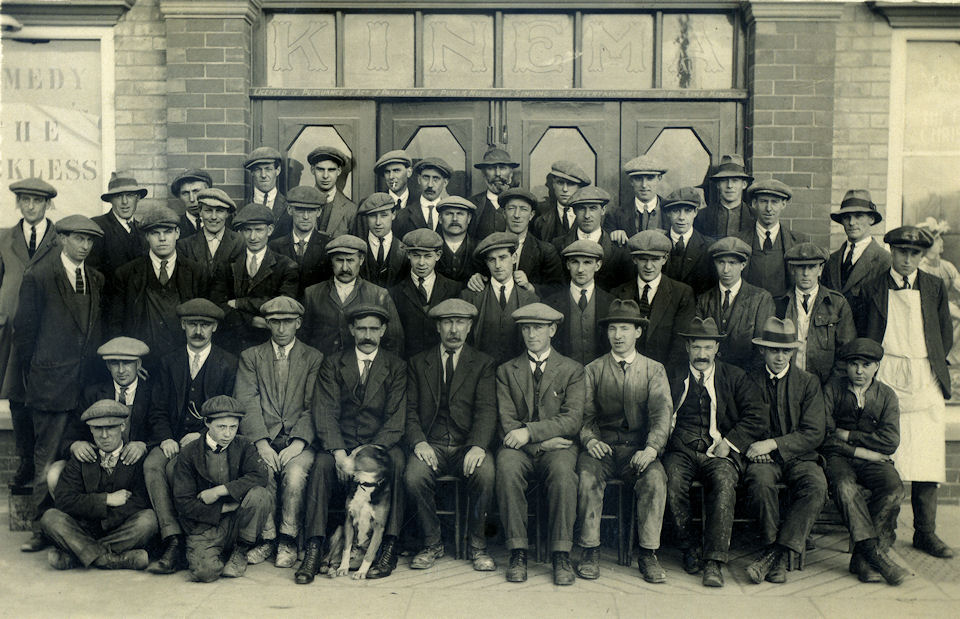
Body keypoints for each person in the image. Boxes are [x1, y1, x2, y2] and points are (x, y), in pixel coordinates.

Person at [296, 305, 407, 584]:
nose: (367, 335)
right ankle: (314, 545)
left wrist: (365, 454)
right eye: (361, 328)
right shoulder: (333, 363)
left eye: (373, 329)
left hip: (378, 446)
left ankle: (389, 546)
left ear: (383, 331)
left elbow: (396, 419)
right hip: (341, 444)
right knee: (320, 465)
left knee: (398, 462)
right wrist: (339, 452)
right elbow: (324, 411)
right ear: (351, 330)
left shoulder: (396, 366)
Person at [861, 226, 954, 559]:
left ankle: (925, 532)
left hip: (925, 375)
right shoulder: (873, 287)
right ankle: (883, 531)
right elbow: (865, 333)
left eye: (914, 253)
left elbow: (944, 333)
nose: (907, 259)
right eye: (901, 252)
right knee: (888, 457)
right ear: (892, 252)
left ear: (922, 255)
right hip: (887, 375)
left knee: (927, 459)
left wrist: (926, 363)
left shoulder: (934, 286)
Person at [15, 214, 105, 553]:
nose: (84, 246)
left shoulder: (96, 278)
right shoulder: (38, 277)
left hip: (86, 387)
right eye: (78, 238)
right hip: (50, 386)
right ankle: (42, 528)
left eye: (90, 240)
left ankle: (78, 526)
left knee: (83, 457)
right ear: (61, 238)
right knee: (47, 458)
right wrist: (40, 374)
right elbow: (24, 337)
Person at [663, 317, 768, 588]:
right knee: (671, 481)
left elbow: (757, 416)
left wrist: (730, 442)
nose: (701, 354)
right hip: (681, 449)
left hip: (718, 450)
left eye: (708, 348)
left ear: (717, 349)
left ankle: (714, 561)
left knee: (724, 483)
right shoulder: (671, 374)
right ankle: (690, 549)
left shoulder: (734, 377)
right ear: (687, 347)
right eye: (696, 347)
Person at [573, 299, 672, 583]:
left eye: (625, 329)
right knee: (587, 477)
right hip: (602, 448)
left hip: (639, 450)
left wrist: (652, 448)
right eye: (613, 329)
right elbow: (585, 414)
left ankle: (648, 553)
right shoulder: (593, 369)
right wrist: (590, 440)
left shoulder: (654, 370)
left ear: (638, 332)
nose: (618, 335)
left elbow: (661, 414)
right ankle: (590, 550)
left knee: (655, 480)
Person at [144, 298, 239, 574]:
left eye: (205, 325)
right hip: (171, 438)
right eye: (193, 324)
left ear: (215, 329)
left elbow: (228, 412)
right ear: (183, 325)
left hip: (208, 440)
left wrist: (200, 434)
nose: (199, 331)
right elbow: (158, 408)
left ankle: (187, 542)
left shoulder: (228, 363)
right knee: (152, 464)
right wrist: (165, 437)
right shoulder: (168, 361)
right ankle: (172, 537)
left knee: (176, 468)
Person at [403, 299, 498, 571]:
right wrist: (419, 441)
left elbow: (487, 410)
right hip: (430, 443)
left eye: (460, 323)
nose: (453, 329)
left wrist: (479, 446)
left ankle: (478, 546)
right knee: (413, 477)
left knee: (486, 474)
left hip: (466, 446)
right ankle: (432, 543)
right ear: (437, 327)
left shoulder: (483, 364)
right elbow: (409, 410)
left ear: (469, 327)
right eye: (447, 322)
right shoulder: (419, 363)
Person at [496, 303, 585, 586]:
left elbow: (572, 420)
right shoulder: (506, 370)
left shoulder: (573, 370)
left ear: (553, 330)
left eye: (538, 327)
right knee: (506, 467)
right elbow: (507, 424)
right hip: (525, 448)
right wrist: (539, 444)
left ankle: (561, 553)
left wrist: (530, 432)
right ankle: (518, 551)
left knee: (563, 475)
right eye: (526, 328)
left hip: (559, 447)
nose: (531, 334)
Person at [235, 296, 324, 569]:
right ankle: (268, 539)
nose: (281, 329)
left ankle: (288, 537)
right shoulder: (251, 356)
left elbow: (315, 404)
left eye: (287, 322)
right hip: (264, 437)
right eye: (275, 322)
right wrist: (260, 442)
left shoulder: (313, 357)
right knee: (263, 471)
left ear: (298, 323)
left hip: (298, 441)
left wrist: (298, 442)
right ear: (267, 324)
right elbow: (247, 401)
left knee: (295, 475)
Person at [742, 317, 827, 585]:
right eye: (774, 350)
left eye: (786, 350)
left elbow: (814, 432)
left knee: (816, 485)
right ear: (763, 350)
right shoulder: (748, 379)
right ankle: (772, 548)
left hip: (798, 456)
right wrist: (755, 448)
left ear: (793, 351)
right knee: (760, 482)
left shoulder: (808, 382)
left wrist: (775, 444)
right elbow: (736, 421)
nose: (780, 357)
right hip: (762, 458)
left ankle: (775, 556)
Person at [822, 338, 909, 586]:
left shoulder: (886, 395)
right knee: (845, 488)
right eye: (854, 364)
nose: (859, 371)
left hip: (874, 459)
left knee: (893, 489)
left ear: (876, 367)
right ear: (846, 366)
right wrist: (863, 452)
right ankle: (876, 557)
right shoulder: (833, 389)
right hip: (839, 457)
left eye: (866, 365)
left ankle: (862, 558)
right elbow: (824, 435)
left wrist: (850, 435)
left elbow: (890, 441)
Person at [40, 400, 158, 571]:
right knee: (50, 517)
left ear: (122, 427)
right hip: (84, 528)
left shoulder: (134, 457)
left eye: (110, 428)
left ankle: (78, 555)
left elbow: (141, 501)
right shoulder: (82, 457)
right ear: (90, 430)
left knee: (148, 520)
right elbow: (64, 500)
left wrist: (106, 521)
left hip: (119, 528)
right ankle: (110, 559)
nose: (104, 435)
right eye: (98, 429)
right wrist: (106, 500)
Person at [0, 178, 59, 492]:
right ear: (18, 203)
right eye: (24, 200)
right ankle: (25, 462)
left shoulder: (59, 240)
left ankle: (41, 465)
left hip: (45, 332)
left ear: (47, 204)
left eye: (37, 200)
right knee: (16, 396)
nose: (31, 206)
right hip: (11, 333)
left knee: (42, 396)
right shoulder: (4, 239)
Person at [173, 395, 271, 582]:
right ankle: (209, 553)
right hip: (205, 526)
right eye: (221, 427)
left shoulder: (244, 445)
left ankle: (241, 549)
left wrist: (219, 491)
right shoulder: (189, 452)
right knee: (205, 573)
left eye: (233, 427)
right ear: (207, 423)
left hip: (236, 523)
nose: (228, 434)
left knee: (260, 494)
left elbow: (260, 476)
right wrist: (226, 507)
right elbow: (183, 503)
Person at [108, 207, 208, 368]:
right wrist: (129, 361)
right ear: (147, 236)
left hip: (183, 362)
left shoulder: (196, 272)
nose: (162, 238)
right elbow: (116, 324)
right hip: (142, 362)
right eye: (155, 233)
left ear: (177, 233)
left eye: (168, 232)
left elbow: (204, 323)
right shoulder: (126, 274)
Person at [52, 337, 155, 495]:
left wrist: (143, 446)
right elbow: (69, 437)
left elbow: (163, 433)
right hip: (98, 467)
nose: (121, 370)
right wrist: (75, 445)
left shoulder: (153, 393)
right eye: (115, 363)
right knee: (54, 473)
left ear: (138, 364)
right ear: (108, 365)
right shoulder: (92, 394)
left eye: (127, 363)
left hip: (135, 469)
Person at [210, 203, 299, 354]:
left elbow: (282, 305)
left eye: (259, 230)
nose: (253, 237)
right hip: (234, 342)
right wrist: (251, 321)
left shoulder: (286, 266)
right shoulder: (227, 265)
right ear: (241, 232)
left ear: (269, 230)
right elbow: (219, 306)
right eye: (247, 230)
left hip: (269, 342)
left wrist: (240, 302)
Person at [300, 234, 403, 356]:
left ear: (361, 260)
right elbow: (302, 340)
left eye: (350, 260)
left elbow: (395, 341)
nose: (344, 267)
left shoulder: (378, 294)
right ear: (331, 261)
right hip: (323, 369)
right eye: (339, 260)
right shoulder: (312, 294)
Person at [612, 230, 695, 371]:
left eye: (655, 259)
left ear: (665, 259)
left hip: (664, 375)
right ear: (634, 259)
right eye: (643, 259)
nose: (648, 266)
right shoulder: (618, 293)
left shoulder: (682, 293)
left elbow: (680, 346)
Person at [775, 243, 856, 384]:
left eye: (812, 267)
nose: (806, 273)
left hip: (824, 384)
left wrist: (831, 389)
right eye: (800, 267)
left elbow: (847, 351)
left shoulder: (837, 304)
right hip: (787, 382)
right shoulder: (780, 304)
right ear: (793, 269)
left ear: (820, 270)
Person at [695, 237, 775, 370]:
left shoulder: (760, 299)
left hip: (746, 375)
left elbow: (762, 349)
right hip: (712, 375)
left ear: (743, 265)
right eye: (721, 262)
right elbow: (698, 342)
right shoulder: (704, 299)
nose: (726, 270)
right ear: (715, 263)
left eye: (732, 263)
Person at [459, 232, 539, 365]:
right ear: (486, 262)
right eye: (492, 259)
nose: (497, 265)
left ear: (514, 258)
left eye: (503, 258)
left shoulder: (530, 299)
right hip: (480, 372)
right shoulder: (470, 297)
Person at [468, 188, 563, 297]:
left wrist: (530, 287)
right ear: (504, 213)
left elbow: (558, 289)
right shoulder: (487, 247)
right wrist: (476, 279)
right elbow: (480, 278)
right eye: (512, 208)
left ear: (531, 215)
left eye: (523, 209)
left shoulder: (545, 251)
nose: (517, 215)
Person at [389, 229, 464, 358]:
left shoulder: (454, 289)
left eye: (428, 256)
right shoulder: (394, 293)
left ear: (438, 255)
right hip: (408, 364)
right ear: (408, 255)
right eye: (416, 256)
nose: (421, 263)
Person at [543, 240, 615, 365]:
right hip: (564, 376)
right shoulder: (551, 303)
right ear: (567, 265)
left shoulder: (611, 303)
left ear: (598, 265)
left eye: (587, 262)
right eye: (575, 262)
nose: (580, 269)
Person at [552, 185, 634, 292]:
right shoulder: (558, 245)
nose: (587, 215)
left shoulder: (619, 249)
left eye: (593, 208)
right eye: (582, 209)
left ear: (603, 210)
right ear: (574, 211)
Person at [822, 189, 890, 316]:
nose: (852, 223)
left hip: (864, 334)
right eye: (847, 217)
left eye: (858, 216)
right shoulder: (832, 260)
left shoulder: (883, 260)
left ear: (871, 219)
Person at [737, 179, 807, 298]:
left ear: (783, 205)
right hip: (749, 309)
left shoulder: (799, 242)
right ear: (754, 203)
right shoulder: (739, 241)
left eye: (774, 202)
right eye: (764, 201)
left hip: (784, 311)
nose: (769, 208)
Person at [267, 185, 332, 296]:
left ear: (319, 212)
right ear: (289, 210)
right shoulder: (274, 246)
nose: (305, 217)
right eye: (300, 210)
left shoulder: (329, 245)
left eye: (311, 211)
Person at [177, 188, 244, 287]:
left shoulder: (240, 242)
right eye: (208, 211)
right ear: (200, 212)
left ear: (227, 214)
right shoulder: (185, 245)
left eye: (219, 211)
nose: (213, 217)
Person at [916, 217, 960, 365]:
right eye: (937, 239)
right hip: (928, 307)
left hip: (945, 306)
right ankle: (944, 355)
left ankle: (950, 357)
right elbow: (930, 298)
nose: (942, 243)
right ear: (928, 245)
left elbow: (958, 284)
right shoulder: (921, 268)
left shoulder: (946, 266)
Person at [89, 171, 148, 278]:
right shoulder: (97, 226)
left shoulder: (144, 229)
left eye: (130, 195)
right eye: (118, 196)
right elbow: (92, 274)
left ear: (138, 198)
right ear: (110, 200)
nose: (124, 202)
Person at [662, 186, 717, 294]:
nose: (681, 217)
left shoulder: (709, 246)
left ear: (695, 212)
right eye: (676, 211)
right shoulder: (658, 243)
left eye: (687, 211)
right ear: (668, 213)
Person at [605, 154, 668, 244]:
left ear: (659, 178)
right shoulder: (615, 216)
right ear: (631, 181)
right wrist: (614, 234)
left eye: (650, 178)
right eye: (638, 179)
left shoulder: (671, 211)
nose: (644, 185)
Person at [694, 154, 755, 238]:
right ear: (718, 185)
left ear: (744, 184)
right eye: (724, 180)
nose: (729, 185)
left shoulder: (755, 216)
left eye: (735, 180)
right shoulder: (701, 216)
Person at [532, 160, 591, 243]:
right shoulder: (540, 217)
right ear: (553, 185)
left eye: (570, 184)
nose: (565, 189)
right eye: (560, 183)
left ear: (579, 188)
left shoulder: (591, 216)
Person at [394, 157, 452, 239]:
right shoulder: (402, 215)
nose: (430, 185)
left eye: (436, 179)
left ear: (445, 183)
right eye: (426, 178)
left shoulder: (451, 214)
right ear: (419, 179)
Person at [358, 193, 407, 288]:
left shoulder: (405, 251)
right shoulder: (357, 249)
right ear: (366, 218)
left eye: (384, 215)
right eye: (372, 216)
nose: (378, 222)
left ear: (393, 215)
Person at [469, 147, 520, 240]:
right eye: (491, 168)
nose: (498, 174)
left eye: (502, 168)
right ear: (484, 174)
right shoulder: (471, 205)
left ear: (511, 173)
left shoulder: (523, 204)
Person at [306, 146, 357, 239]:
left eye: (331, 170)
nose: (325, 176)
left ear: (339, 171)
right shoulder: (300, 204)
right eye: (320, 169)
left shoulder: (351, 210)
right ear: (312, 170)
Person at [245, 146, 291, 239]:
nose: (263, 175)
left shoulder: (289, 207)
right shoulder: (241, 207)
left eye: (268, 169)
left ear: (277, 171)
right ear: (252, 173)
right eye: (258, 169)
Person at [435, 195, 478, 284]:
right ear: (440, 219)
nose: (454, 219)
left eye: (460, 214)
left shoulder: (479, 248)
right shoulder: (431, 248)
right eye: (449, 214)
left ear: (469, 218)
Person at [171, 169, 213, 238]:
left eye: (196, 191)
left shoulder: (226, 223)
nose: (192, 199)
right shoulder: (174, 227)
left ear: (208, 192)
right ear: (179, 197)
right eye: (185, 193)